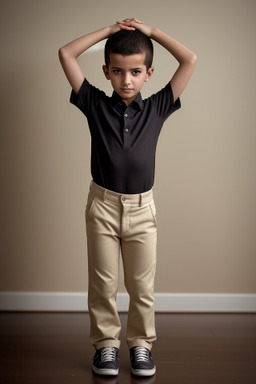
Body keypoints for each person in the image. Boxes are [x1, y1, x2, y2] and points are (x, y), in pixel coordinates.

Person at [58, 17, 196, 377]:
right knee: (102, 284)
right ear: (106, 72)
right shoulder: (94, 103)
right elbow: (66, 53)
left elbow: (189, 60)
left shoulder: (158, 107)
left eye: (135, 72)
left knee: (141, 285)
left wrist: (151, 33)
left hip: (142, 209)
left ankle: (140, 346)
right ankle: (105, 346)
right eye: (118, 72)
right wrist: (109, 31)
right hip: (102, 205)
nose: (127, 80)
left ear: (148, 73)